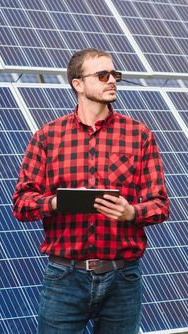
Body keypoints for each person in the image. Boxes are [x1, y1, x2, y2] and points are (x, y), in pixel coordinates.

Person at [13, 48, 169, 334]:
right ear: (78, 84)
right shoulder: (48, 137)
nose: (112, 80)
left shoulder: (139, 135)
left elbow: (160, 204)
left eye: (115, 74)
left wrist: (132, 212)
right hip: (64, 278)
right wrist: (55, 203)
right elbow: (22, 204)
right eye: (102, 75)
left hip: (123, 278)